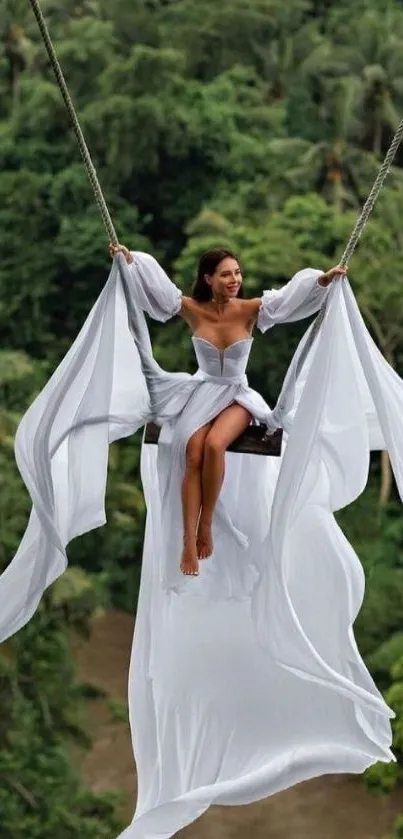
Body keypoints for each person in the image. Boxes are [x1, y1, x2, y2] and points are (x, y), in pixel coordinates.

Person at [109, 241, 346, 577]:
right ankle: (187, 543)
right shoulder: (192, 309)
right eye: (225, 274)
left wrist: (322, 281)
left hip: (237, 395)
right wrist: (129, 262)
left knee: (214, 445)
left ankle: (206, 526)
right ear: (208, 279)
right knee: (191, 452)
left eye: (237, 273)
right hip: (203, 391)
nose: (234, 279)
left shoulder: (249, 309)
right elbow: (156, 291)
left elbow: (289, 299)